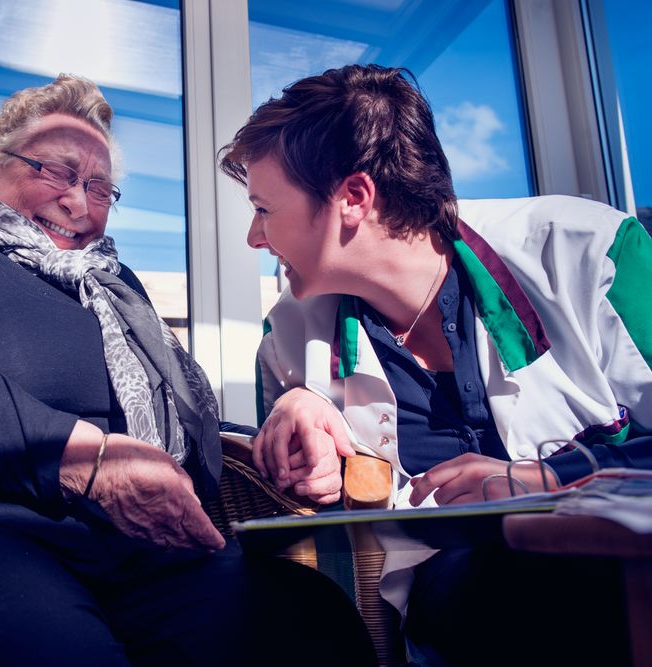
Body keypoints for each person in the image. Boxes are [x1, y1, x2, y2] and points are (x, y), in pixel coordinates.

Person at [0, 73, 375, 666]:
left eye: (99, 187)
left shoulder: (116, 292)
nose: (79, 203)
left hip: (145, 555)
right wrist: (90, 459)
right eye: (56, 172)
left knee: (314, 625)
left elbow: (183, 423)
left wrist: (292, 418)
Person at [219, 64, 651, 665]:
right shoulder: (289, 339)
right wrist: (302, 436)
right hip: (456, 618)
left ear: (353, 198)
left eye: (264, 208)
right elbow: (312, 518)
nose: (254, 238)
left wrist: (561, 477)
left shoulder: (592, 253)